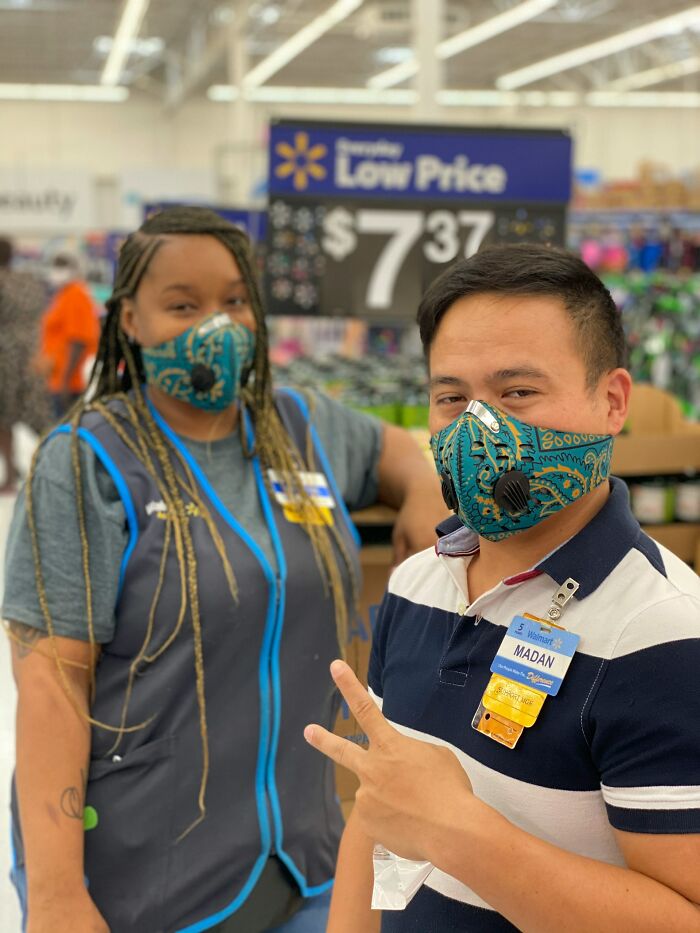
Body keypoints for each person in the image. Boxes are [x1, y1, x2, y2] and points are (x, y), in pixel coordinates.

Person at [2, 206, 448, 933]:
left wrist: (423, 490)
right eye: (184, 304)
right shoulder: (87, 460)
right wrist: (55, 894)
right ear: (130, 321)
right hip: (139, 873)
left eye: (236, 301)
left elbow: (395, 449)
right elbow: (53, 682)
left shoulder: (299, 425)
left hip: (302, 857)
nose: (219, 323)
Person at [305, 244, 700, 933]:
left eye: (518, 392)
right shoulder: (416, 580)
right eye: (452, 397)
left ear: (612, 402)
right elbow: (380, 817)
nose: (478, 429)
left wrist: (464, 834)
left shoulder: (662, 631)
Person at [0, 236, 50, 493]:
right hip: (32, 353)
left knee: (4, 419)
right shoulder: (30, 282)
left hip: (5, 356)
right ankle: (57, 464)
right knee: (38, 415)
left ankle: (9, 476)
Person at [37, 252, 100, 420]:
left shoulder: (76, 295)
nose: (57, 271)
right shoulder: (63, 295)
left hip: (72, 382)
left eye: (62, 266)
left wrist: (66, 380)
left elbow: (78, 340)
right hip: (60, 379)